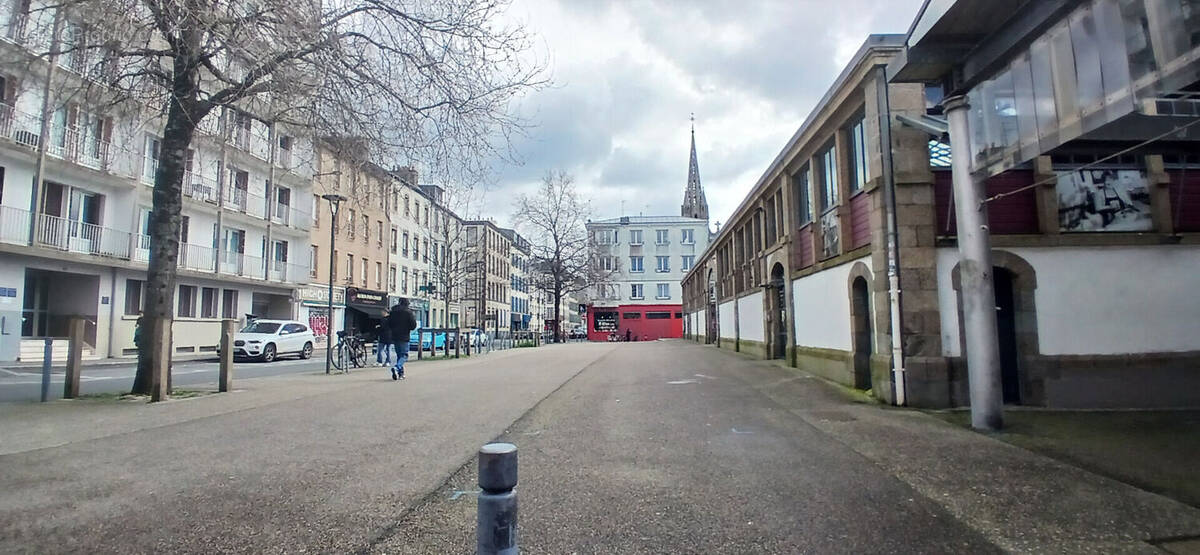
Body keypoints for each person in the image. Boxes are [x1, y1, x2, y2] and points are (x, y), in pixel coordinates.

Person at [385, 299, 418, 380]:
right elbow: (413, 325)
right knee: (404, 355)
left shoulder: (393, 312)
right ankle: (397, 367)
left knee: (399, 355)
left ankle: (401, 374)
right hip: (404, 336)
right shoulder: (408, 312)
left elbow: (388, 323)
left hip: (395, 336)